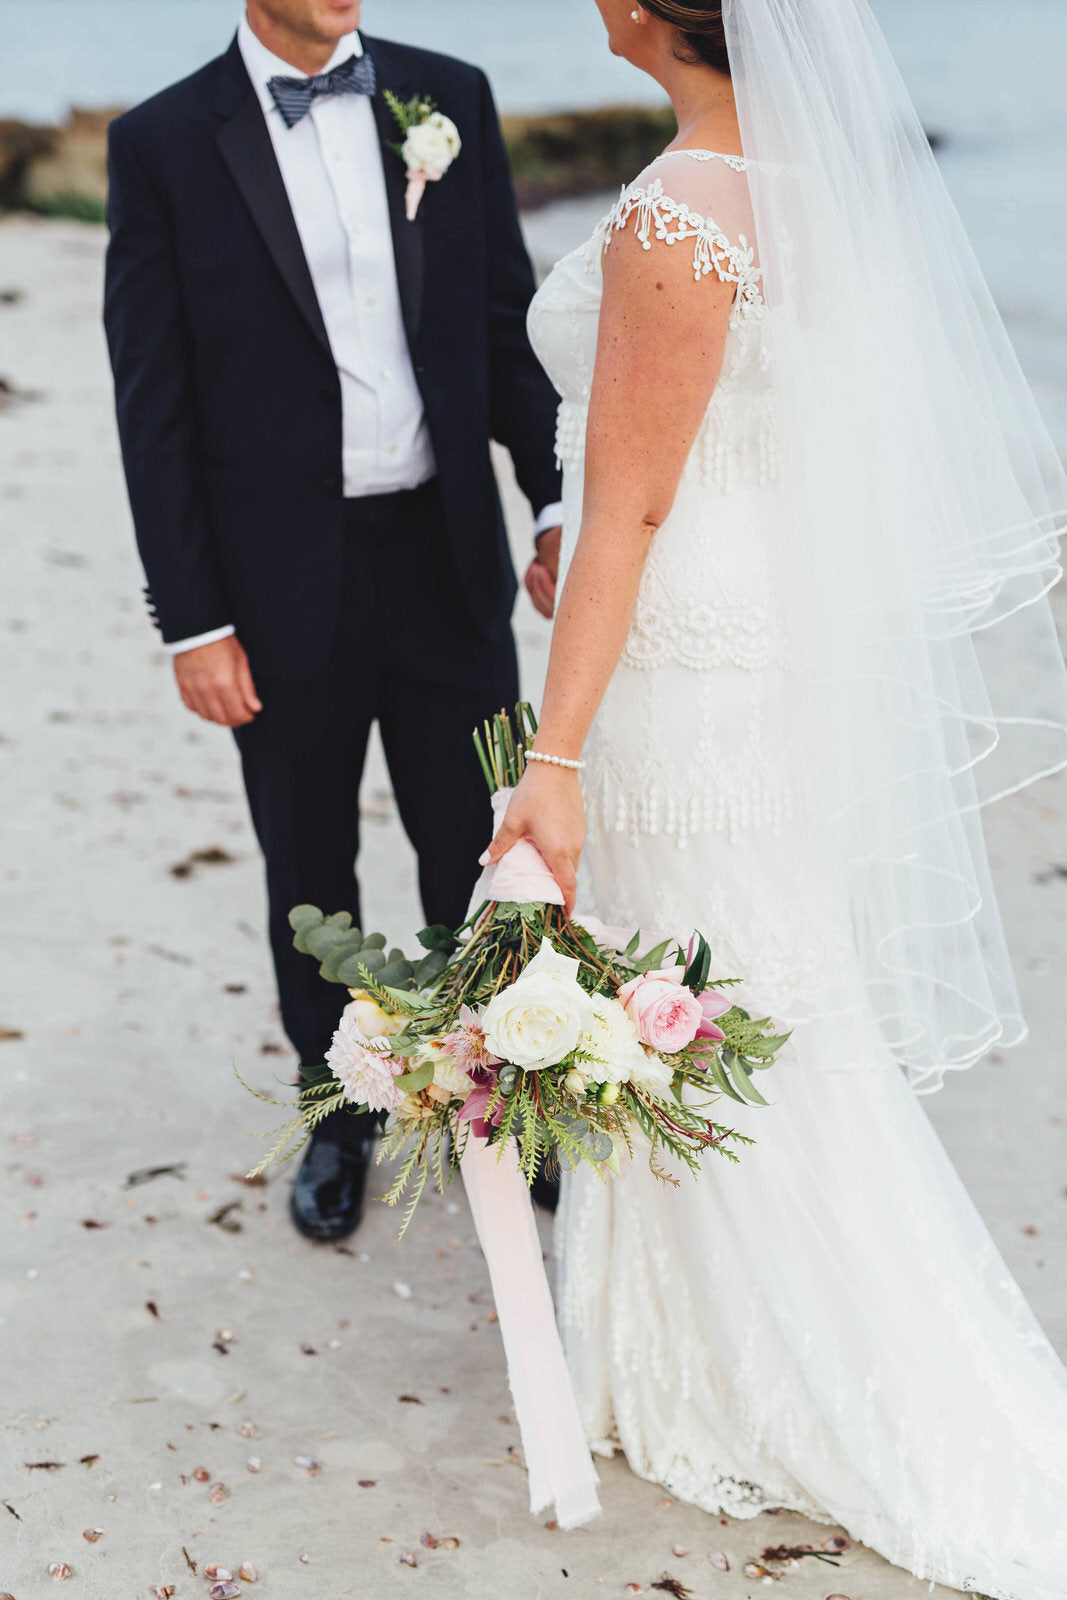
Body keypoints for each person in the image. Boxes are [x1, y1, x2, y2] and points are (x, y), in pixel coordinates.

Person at [488, 0, 1067, 1593]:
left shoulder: (682, 211)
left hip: (689, 659)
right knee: (725, 985)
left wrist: (548, 761)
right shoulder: (809, 190)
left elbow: (636, 502)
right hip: (763, 633)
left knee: (692, 981)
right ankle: (678, 1348)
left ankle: (774, 1360)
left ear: (651, 11)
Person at [103, 0, 562, 1242]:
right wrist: (191, 622)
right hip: (274, 583)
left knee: (475, 852)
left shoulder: (446, 95)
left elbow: (502, 320)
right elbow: (154, 407)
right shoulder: (161, 143)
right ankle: (339, 1109)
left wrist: (553, 496)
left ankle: (499, 1087)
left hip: (445, 550)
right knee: (311, 864)